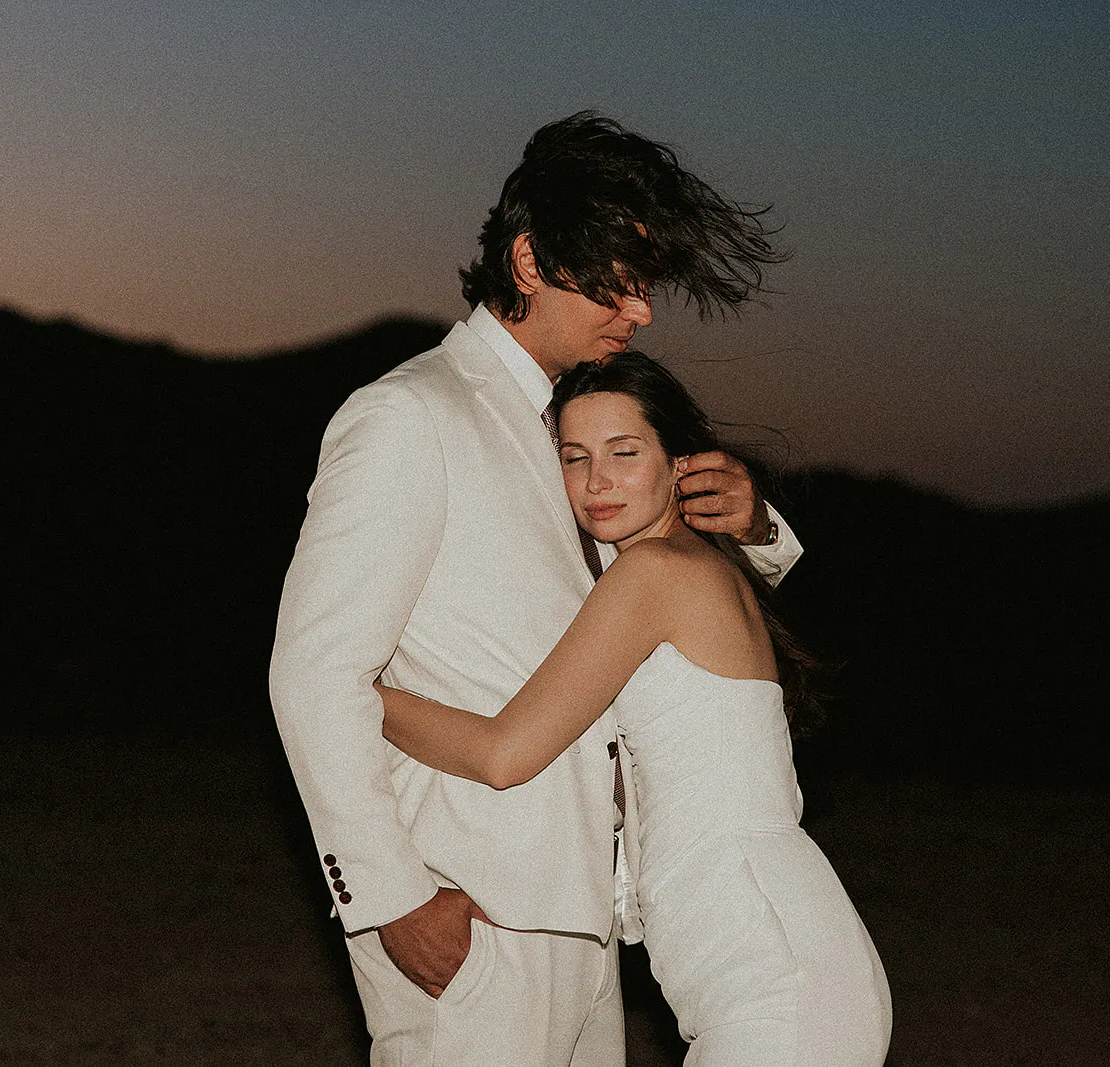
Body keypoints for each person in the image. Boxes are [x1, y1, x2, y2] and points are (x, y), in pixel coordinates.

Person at [268, 111, 803, 1065]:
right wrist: (392, 896)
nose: (640, 312)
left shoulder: (580, 430)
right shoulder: (408, 416)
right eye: (622, 282)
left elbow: (657, 598)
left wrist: (753, 525)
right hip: (469, 914)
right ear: (528, 260)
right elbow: (313, 672)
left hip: (588, 917)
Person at [379, 352, 892, 1065]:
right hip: (779, 963)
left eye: (624, 452)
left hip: (773, 978)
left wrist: (358, 694)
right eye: (574, 456)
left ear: (682, 464)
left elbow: (504, 754)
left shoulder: (655, 575)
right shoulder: (682, 565)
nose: (596, 481)